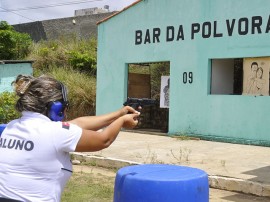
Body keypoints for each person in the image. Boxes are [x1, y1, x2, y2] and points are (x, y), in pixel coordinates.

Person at [0, 74, 140, 202]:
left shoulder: (11, 127)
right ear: (57, 107)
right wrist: (122, 121)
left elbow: (77, 124)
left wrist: (119, 114)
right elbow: (104, 139)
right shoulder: (55, 132)